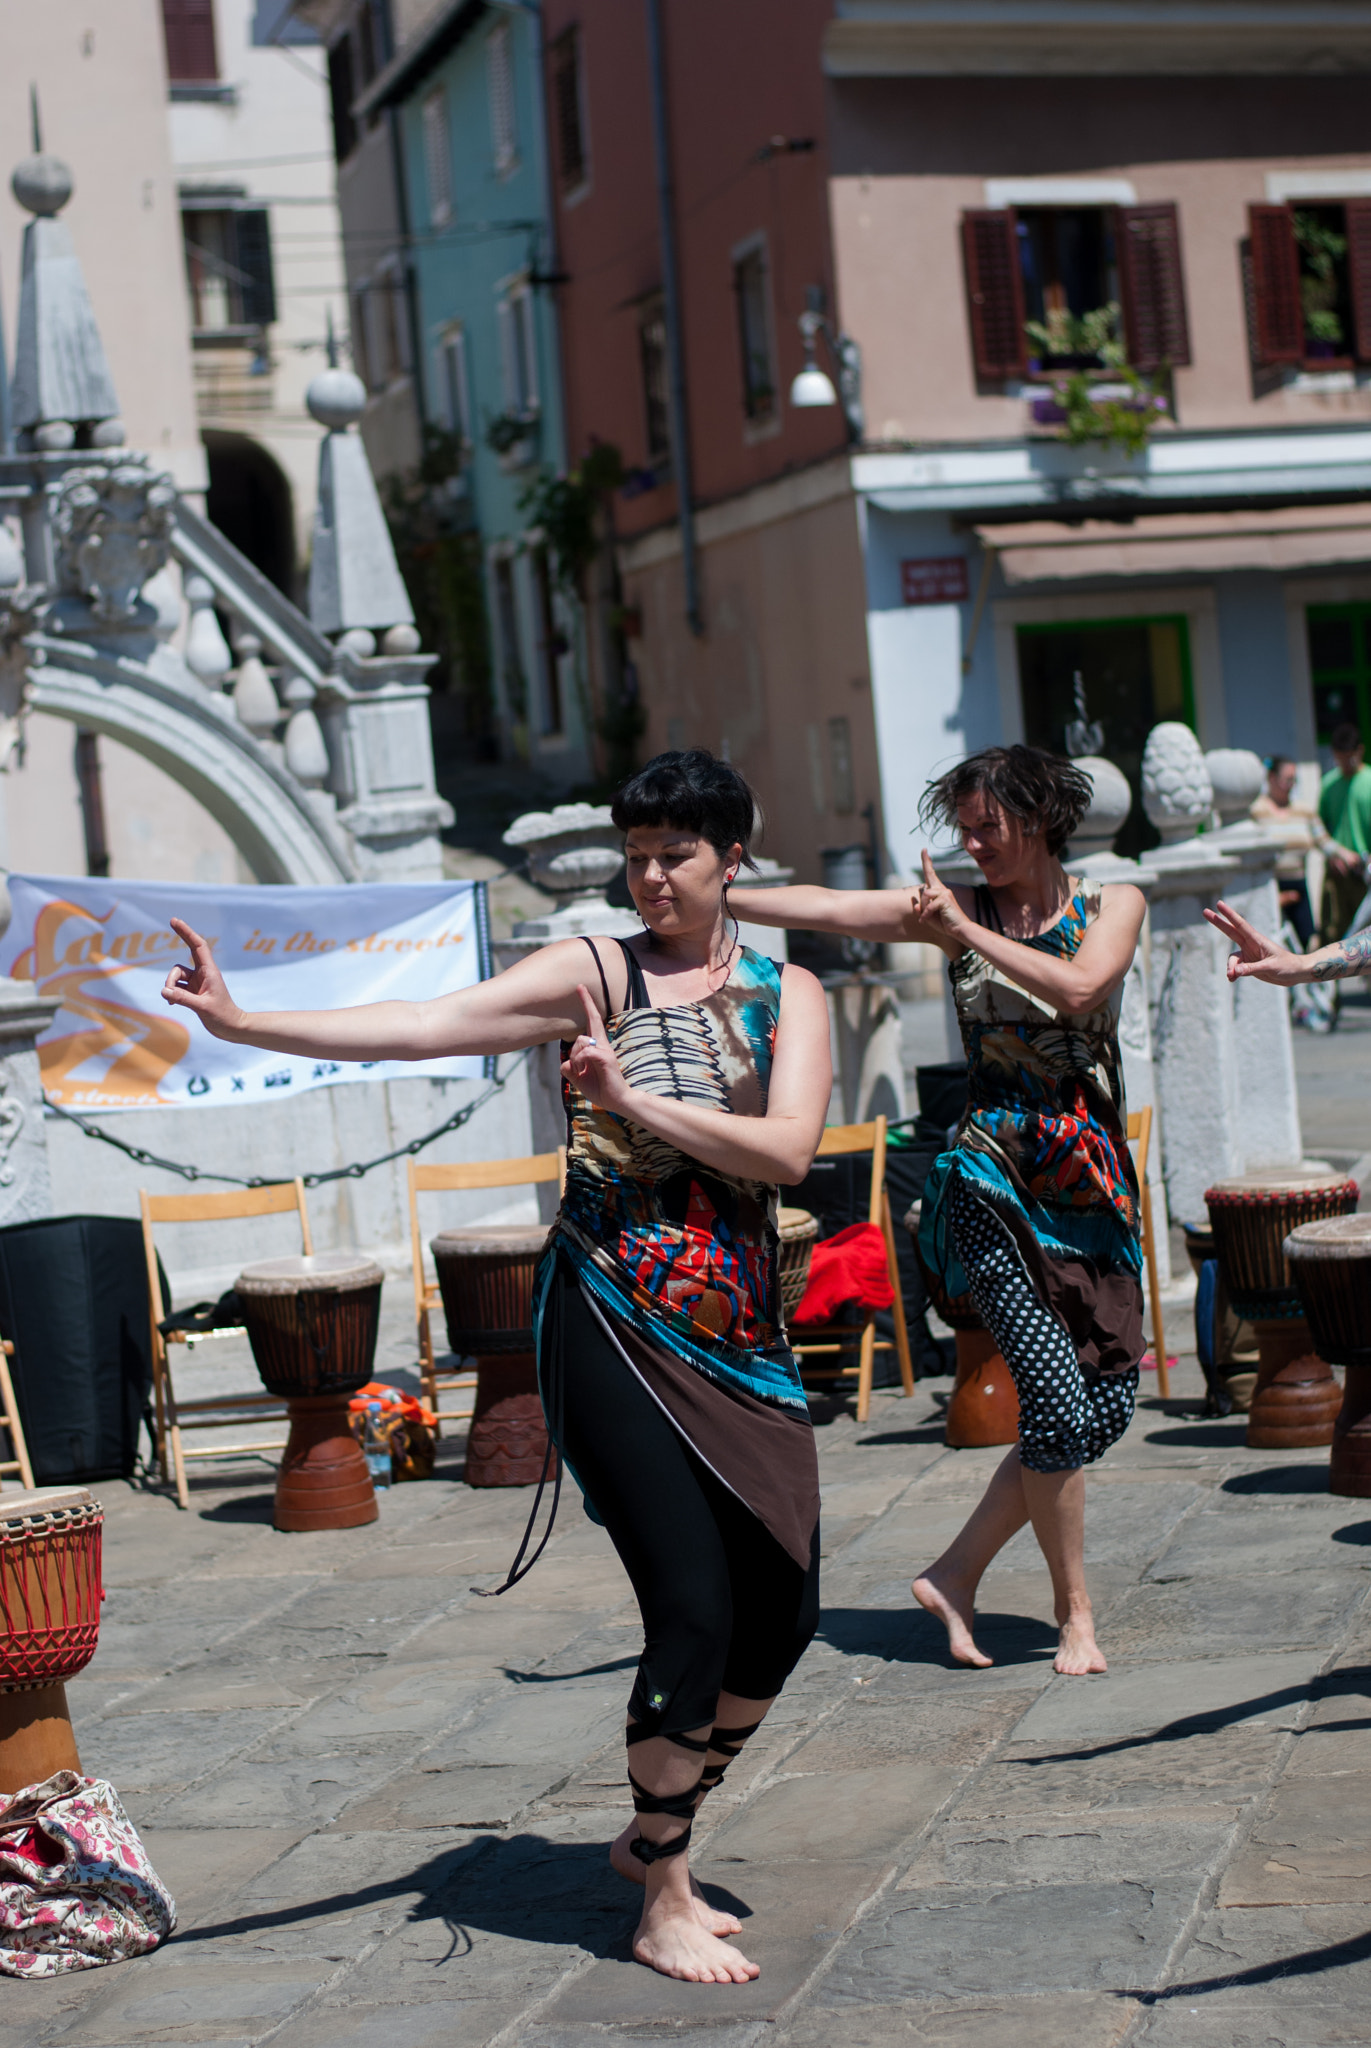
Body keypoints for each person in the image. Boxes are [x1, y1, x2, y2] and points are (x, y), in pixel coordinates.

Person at [160, 749, 833, 1987]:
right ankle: (666, 1891)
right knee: (689, 1603)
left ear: (733, 857)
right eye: (636, 855)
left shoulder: (793, 993)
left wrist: (632, 1096)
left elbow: (788, 1154)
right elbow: (425, 1022)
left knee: (784, 1608)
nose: (650, 878)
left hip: (739, 1333)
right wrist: (247, 1019)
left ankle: (650, 1824)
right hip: (607, 1316)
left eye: (674, 854)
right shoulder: (596, 969)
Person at [732, 744, 1147, 1677]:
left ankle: (954, 1573)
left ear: (1038, 818)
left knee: (1103, 1403)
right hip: (987, 1179)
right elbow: (829, 908)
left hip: (1088, 1184)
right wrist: (716, 891)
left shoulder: (1112, 903)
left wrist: (960, 926)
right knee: (1050, 1397)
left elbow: (1078, 987)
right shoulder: (952, 911)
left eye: (987, 826)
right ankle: (1074, 1614)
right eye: (961, 828)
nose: (970, 844)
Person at [1251, 755, 1327, 951]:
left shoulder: (1304, 810)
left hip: (1298, 884)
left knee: (1305, 943)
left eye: (1294, 779)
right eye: (1287, 779)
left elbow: (1324, 841)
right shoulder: (1256, 810)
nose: (1291, 785)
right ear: (1271, 778)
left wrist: (1347, 856)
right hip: (1270, 886)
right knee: (1271, 944)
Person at [1317, 723, 1371, 948]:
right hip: (1339, 871)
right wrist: (1334, 853)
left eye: (1349, 758)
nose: (1345, 764)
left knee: (1367, 936)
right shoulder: (1329, 784)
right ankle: (1330, 983)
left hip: (1367, 870)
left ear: (1360, 751)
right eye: (1340, 758)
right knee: (1334, 934)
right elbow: (1317, 826)